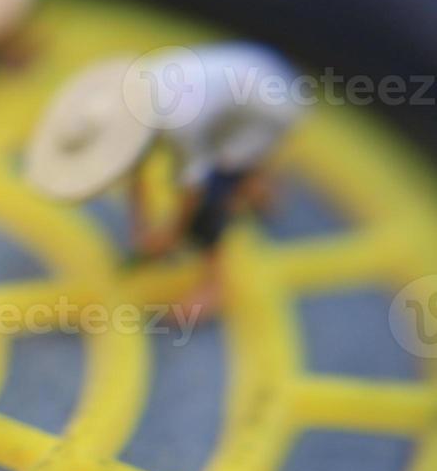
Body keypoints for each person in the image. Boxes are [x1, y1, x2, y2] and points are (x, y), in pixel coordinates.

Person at [27, 42, 304, 311]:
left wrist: (172, 234)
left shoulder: (179, 122)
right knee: (228, 162)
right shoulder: (133, 95)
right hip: (244, 84)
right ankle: (255, 183)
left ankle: (215, 285)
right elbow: (133, 167)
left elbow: (193, 189)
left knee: (212, 199)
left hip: (270, 107)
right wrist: (142, 228)